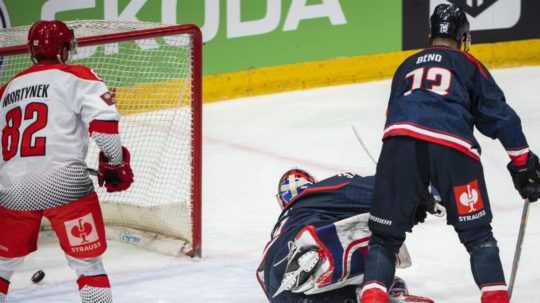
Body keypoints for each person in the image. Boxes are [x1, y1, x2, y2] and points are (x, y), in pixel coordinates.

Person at [359, 4, 540, 303]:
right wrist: (522, 163)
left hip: (399, 146)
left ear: (430, 34)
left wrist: (412, 188)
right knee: (479, 237)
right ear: (463, 38)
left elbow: (396, 117)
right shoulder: (469, 65)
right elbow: (500, 117)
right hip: (453, 149)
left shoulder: (405, 65)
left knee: (384, 240)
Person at [0, 20, 134, 303]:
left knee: (1, 269)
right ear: (64, 48)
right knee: (88, 268)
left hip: (12, 190)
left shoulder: (8, 88)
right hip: (66, 187)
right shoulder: (79, 75)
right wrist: (115, 162)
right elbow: (105, 126)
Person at [257, 169, 437, 303]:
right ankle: (371, 290)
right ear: (313, 184)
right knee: (379, 229)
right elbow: (378, 190)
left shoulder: (279, 230)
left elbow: (262, 276)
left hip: (280, 286)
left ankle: (352, 293)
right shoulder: (322, 191)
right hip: (313, 250)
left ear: (282, 201)